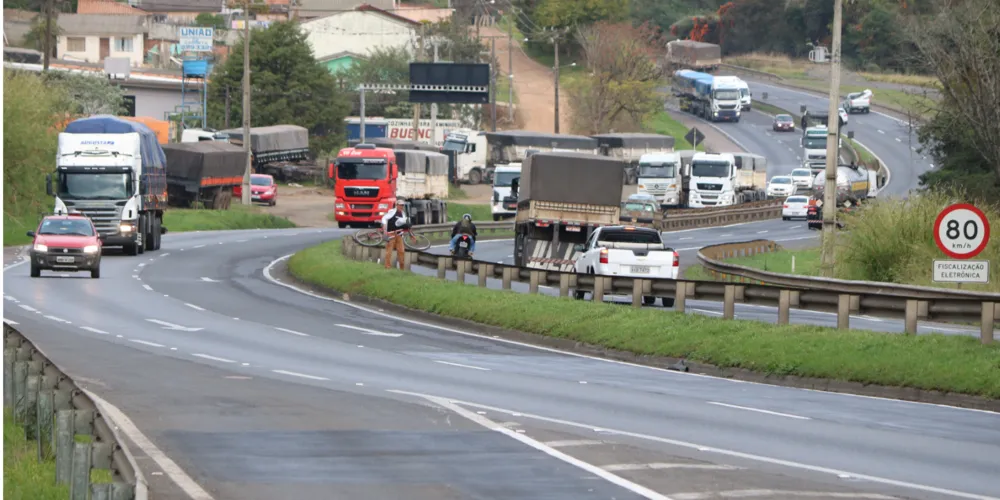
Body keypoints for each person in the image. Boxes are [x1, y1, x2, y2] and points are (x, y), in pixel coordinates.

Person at [380, 201, 408, 269]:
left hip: (399, 235)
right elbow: (384, 218)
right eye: (400, 205)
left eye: (403, 205)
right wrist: (384, 226)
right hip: (391, 234)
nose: (402, 206)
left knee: (401, 251)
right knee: (389, 251)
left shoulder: (403, 213)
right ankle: (387, 266)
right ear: (397, 205)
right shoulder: (392, 212)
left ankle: (402, 268)